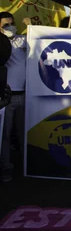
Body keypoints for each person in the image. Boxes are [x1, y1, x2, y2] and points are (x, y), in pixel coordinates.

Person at [0, 12, 29, 182]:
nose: (10, 27)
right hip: (5, 98)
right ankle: (6, 167)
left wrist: (31, 27)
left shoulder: (23, 40)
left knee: (25, 133)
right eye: (5, 25)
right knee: (4, 135)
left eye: (11, 23)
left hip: (25, 95)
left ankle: (28, 166)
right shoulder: (0, 44)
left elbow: (41, 42)